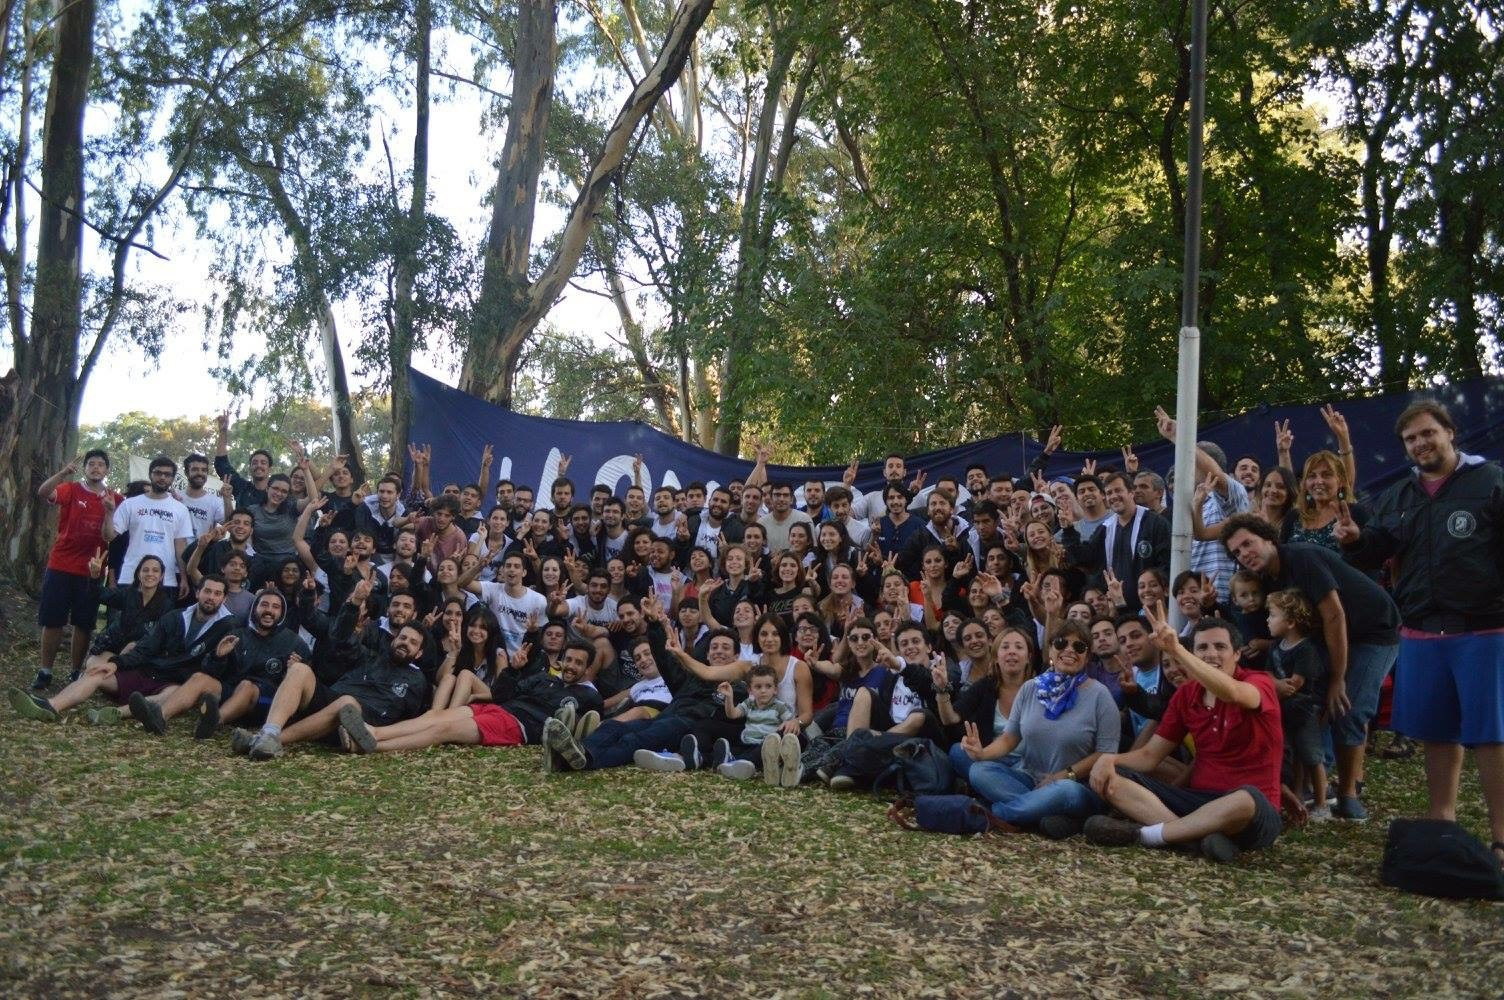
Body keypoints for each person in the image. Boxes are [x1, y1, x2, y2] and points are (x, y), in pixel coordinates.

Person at [1335, 399, 1504, 862]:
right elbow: (1377, 550)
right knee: (1437, 732)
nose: (1420, 444)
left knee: (1492, 735)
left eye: (1428, 433)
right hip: (1422, 632)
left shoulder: (1490, 481)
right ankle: (1442, 825)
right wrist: (1356, 541)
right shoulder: (1398, 496)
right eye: (1411, 439)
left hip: (1484, 629)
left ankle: (1501, 837)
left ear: (1449, 432)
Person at [1222, 512, 1399, 820]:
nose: (1244, 553)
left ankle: (1348, 794)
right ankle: (1308, 784)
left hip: (1374, 630)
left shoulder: (1301, 557)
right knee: (1308, 705)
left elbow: (1334, 615)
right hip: (1324, 635)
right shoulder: (1265, 577)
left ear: (1268, 538)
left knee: (1348, 705)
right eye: (1236, 551)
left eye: (1248, 543)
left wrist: (1337, 678)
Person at [1084, 610, 1284, 863]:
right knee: (1117, 777)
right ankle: (1192, 838)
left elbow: (1232, 693)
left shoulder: (1258, 682)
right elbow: (1149, 756)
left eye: (1220, 646)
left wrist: (1176, 650)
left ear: (1237, 654)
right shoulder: (1186, 695)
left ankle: (1149, 835)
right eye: (1202, 648)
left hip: (1250, 813)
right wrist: (1109, 760)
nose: (1210, 653)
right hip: (1197, 803)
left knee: (1245, 799)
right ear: (1195, 653)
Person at [955, 620, 1120, 838]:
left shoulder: (1100, 695)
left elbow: (1106, 753)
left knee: (1063, 791)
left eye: (1079, 647)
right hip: (1029, 778)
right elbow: (1009, 739)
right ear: (1051, 649)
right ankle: (1040, 811)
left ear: (1087, 657)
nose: (1069, 650)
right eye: (1061, 643)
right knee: (979, 770)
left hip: (1075, 785)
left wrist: (1064, 775)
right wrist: (982, 753)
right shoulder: (1031, 688)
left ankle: (992, 814)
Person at [10, 576, 234, 727]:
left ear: (224, 598)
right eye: (207, 591)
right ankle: (51, 706)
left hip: (174, 682)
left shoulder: (227, 627)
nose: (211, 597)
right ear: (198, 593)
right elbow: (147, 647)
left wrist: (218, 657)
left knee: (171, 694)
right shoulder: (175, 617)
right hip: (147, 671)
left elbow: (211, 672)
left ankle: (118, 714)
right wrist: (116, 663)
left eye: (217, 594)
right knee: (99, 672)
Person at [31, 449, 122, 691]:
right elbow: (42, 492)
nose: (95, 468)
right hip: (61, 565)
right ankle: (45, 671)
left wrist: (110, 511)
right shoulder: (71, 489)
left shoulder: (115, 498)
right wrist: (62, 473)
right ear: (85, 468)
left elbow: (111, 536)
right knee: (53, 620)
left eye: (100, 464)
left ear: (107, 470)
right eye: (91, 464)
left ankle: (74, 672)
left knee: (84, 623)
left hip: (92, 571)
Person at [1266, 588, 1327, 819]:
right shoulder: (1274, 646)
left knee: (1312, 755)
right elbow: (1268, 675)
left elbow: (1296, 683)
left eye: (1272, 615)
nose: (1268, 620)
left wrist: (1275, 688)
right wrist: (1275, 684)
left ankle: (1321, 803)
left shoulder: (1306, 649)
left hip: (1304, 710)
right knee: (1293, 753)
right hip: (1284, 708)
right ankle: (1298, 794)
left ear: (1290, 621)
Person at [102, 456, 193, 596]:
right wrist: (109, 513)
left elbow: (180, 546)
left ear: (173, 478)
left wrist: (184, 578)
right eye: (158, 473)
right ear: (150, 474)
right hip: (131, 576)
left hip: (165, 579)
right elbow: (108, 536)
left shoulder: (180, 509)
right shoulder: (130, 504)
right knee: (129, 618)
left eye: (167, 474)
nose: (162, 477)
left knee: (160, 619)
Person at [713, 663, 796, 783]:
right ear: (750, 690)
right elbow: (732, 714)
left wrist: (791, 723)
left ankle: (735, 762)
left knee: (755, 755)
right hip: (746, 743)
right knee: (732, 748)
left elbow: (790, 722)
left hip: (765, 748)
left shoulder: (779, 707)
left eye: (768, 686)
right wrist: (729, 697)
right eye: (758, 687)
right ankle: (725, 760)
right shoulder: (749, 703)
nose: (763, 691)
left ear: (775, 690)